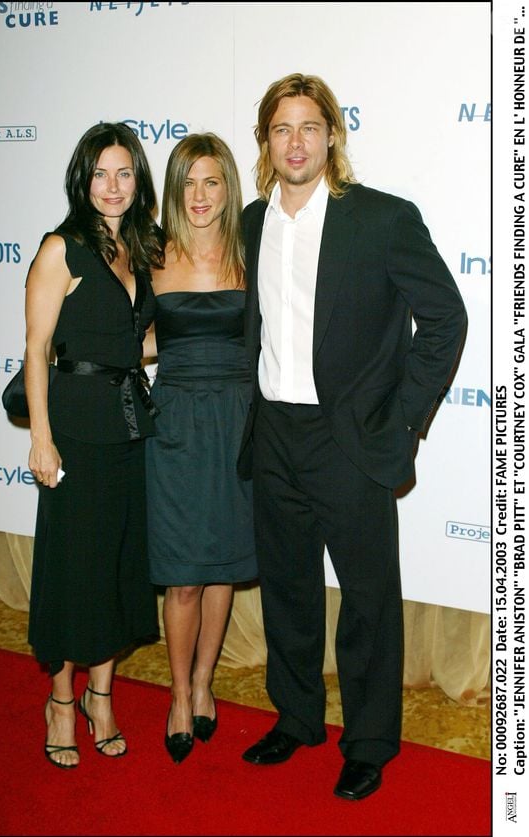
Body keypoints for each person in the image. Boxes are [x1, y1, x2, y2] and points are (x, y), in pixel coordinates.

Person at [237, 74, 467, 800]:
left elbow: (446, 319)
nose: (296, 141)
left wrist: (401, 420)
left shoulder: (381, 219)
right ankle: (298, 716)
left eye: (309, 126)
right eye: (282, 129)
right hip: (273, 431)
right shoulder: (250, 222)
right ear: (266, 142)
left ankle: (368, 741)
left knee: (368, 598)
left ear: (333, 135)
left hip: (350, 440)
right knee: (288, 590)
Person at [25, 122, 164, 769]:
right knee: (75, 570)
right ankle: (60, 699)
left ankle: (100, 696)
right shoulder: (63, 248)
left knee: (116, 566)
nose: (113, 186)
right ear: (84, 179)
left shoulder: (141, 251)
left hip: (129, 431)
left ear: (139, 181)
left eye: (125, 173)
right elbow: (35, 348)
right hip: (75, 433)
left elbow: (135, 341)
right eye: (101, 173)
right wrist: (42, 440)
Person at [143, 133, 258, 764]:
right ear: (173, 190)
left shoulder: (253, 253)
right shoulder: (151, 255)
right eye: (188, 182)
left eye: (211, 182)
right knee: (182, 575)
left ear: (228, 188)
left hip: (240, 421)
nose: (199, 196)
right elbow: (138, 338)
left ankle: (205, 683)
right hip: (177, 423)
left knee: (222, 568)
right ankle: (178, 695)